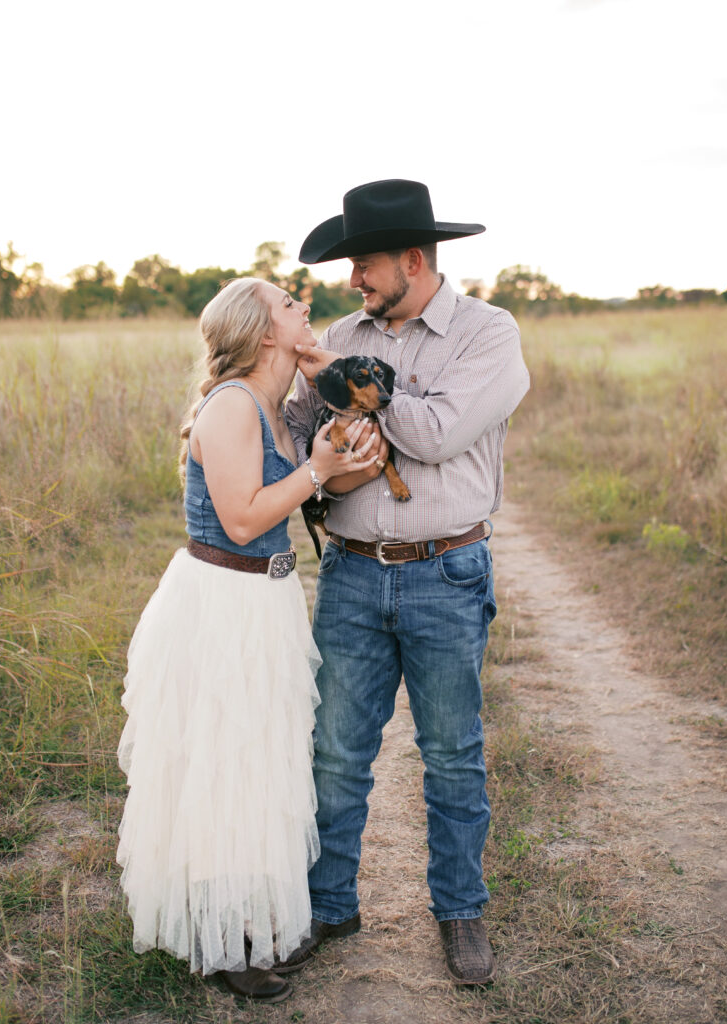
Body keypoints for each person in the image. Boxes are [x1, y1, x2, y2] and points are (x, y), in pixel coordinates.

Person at [281, 179, 530, 986]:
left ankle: (460, 912)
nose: (354, 280)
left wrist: (356, 386)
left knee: (453, 756)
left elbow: (435, 432)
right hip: (351, 574)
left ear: (413, 260)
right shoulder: (340, 332)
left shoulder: (488, 335)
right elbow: (297, 432)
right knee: (335, 755)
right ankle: (329, 906)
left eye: (364, 265)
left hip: (446, 572)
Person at [116, 277, 379, 1003]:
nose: (305, 308)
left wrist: (334, 468)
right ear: (265, 333)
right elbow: (241, 518)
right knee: (224, 762)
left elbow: (291, 493)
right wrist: (318, 470)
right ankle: (223, 940)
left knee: (262, 761)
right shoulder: (232, 405)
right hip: (222, 602)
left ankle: (248, 918)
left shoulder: (272, 405)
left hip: (262, 598)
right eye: (290, 305)